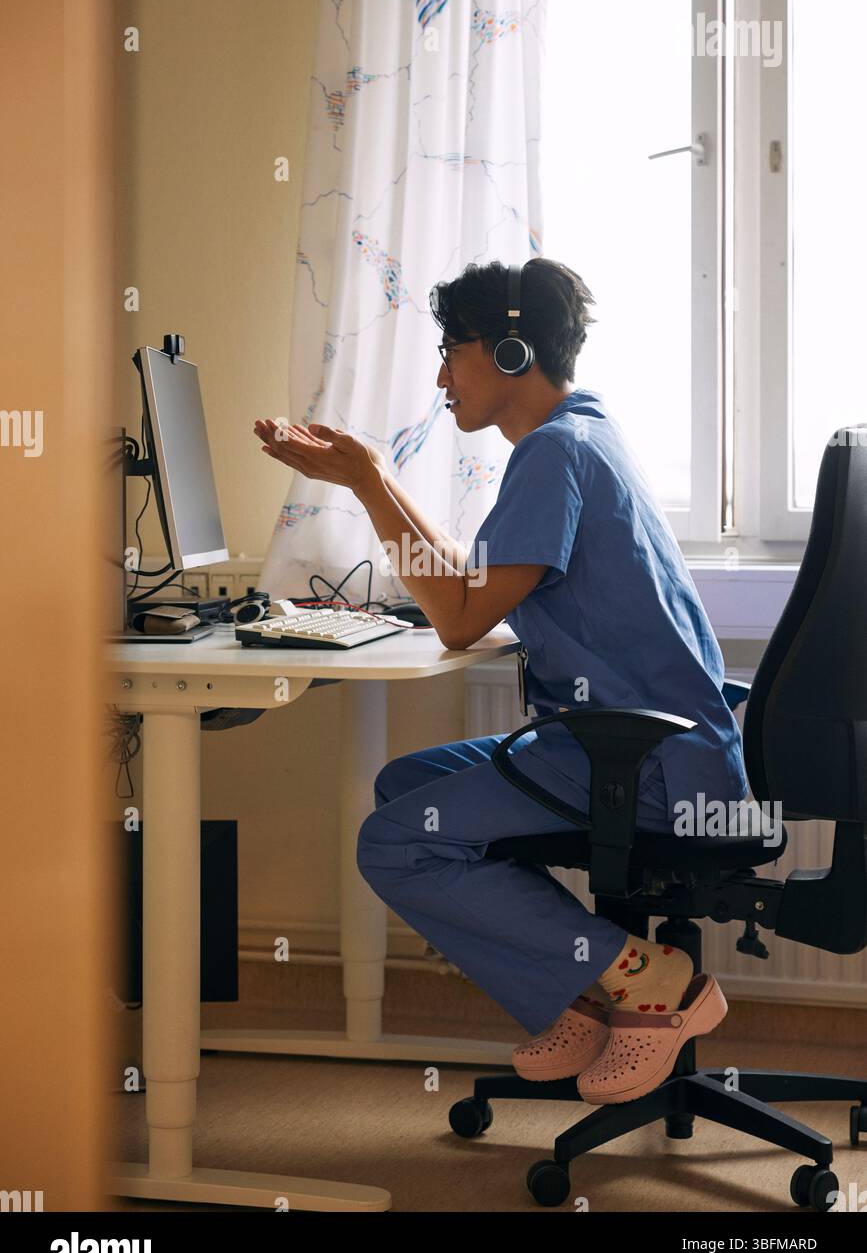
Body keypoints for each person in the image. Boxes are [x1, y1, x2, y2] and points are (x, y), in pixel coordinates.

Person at [253, 257, 745, 1103]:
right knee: (405, 784)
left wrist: (369, 483)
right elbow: (473, 590)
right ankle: (591, 992)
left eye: (453, 349)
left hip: (642, 762)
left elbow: (456, 619)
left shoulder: (555, 454)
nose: (440, 376)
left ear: (511, 354)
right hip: (638, 745)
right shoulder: (581, 433)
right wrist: (375, 478)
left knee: (396, 842)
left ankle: (645, 978)